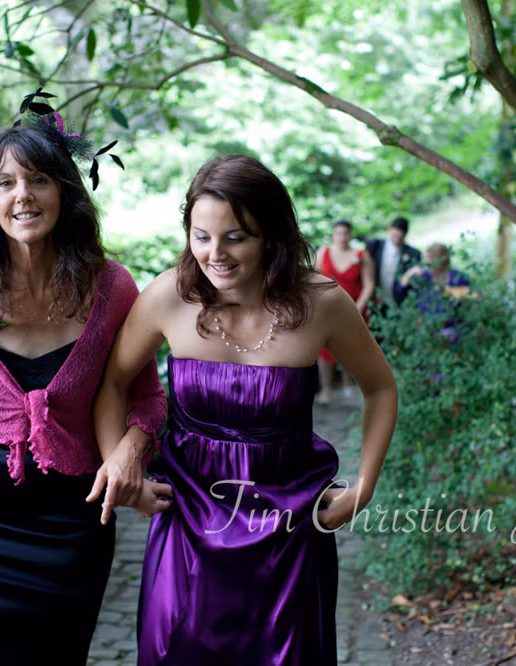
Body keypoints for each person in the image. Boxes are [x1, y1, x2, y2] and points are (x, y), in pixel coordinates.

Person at [92, 155, 398, 665]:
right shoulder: (170, 295)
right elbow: (113, 383)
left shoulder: (321, 302)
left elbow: (381, 388)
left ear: (271, 235)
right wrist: (120, 471)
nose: (216, 254)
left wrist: (364, 488)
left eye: (236, 237)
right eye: (201, 235)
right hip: (187, 525)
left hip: (291, 530)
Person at [0, 92, 167, 666]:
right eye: (5, 183)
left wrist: (127, 456)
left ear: (63, 193)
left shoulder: (112, 287)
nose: (23, 195)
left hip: (72, 525)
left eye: (39, 179)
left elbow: (146, 396)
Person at [315, 219, 375, 404]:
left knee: (352, 347)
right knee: (324, 350)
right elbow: (314, 279)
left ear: (351, 235)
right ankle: (326, 389)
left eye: (345, 233)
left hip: (355, 309)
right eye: (339, 233)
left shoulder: (361, 254)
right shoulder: (323, 252)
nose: (342, 237)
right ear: (333, 235)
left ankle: (349, 383)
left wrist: (358, 307)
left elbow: (369, 284)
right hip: (328, 311)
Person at [397, 242, 472, 341]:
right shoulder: (424, 277)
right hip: (427, 330)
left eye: (429, 263)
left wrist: (453, 293)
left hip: (453, 330)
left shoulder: (457, 278)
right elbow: (399, 291)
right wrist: (408, 274)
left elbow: (470, 301)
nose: (426, 266)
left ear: (440, 262)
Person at [365, 216, 421, 309]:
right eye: (395, 235)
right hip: (375, 300)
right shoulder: (375, 246)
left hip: (399, 303)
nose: (397, 238)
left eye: (401, 236)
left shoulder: (413, 254)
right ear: (389, 229)